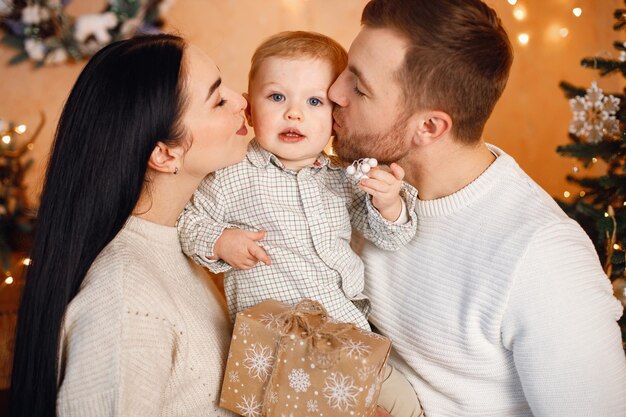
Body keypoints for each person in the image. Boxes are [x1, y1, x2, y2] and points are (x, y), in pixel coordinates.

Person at [328, 0, 626, 416]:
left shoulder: (543, 257)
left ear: (429, 127)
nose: (333, 92)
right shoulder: (360, 186)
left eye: (359, 87)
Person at [177, 31, 422, 417]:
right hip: (279, 346)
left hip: (347, 335)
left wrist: (388, 203)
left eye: (314, 101)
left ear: (335, 119)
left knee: (404, 402)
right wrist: (220, 240)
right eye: (277, 97)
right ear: (250, 111)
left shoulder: (342, 178)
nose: (294, 113)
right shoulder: (231, 174)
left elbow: (390, 235)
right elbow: (188, 220)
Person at [9, 34, 247, 417]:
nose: (241, 100)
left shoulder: (180, 244)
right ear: (164, 153)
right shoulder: (124, 302)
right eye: (218, 100)